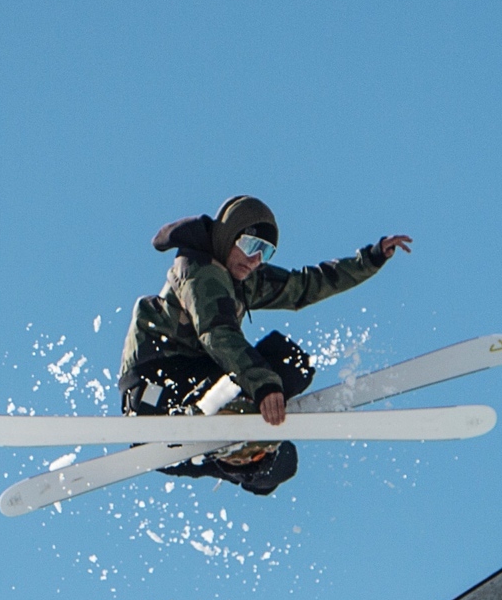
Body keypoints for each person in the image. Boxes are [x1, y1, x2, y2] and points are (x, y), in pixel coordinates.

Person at [116, 195, 410, 495]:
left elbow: (304, 286)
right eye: (249, 245)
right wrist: (264, 384)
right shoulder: (199, 271)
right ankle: (208, 418)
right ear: (228, 237)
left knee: (279, 462)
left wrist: (370, 259)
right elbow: (217, 332)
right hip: (157, 390)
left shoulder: (243, 277)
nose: (255, 259)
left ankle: (236, 450)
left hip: (189, 404)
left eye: (265, 252)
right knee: (282, 366)